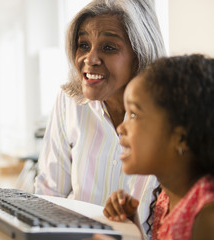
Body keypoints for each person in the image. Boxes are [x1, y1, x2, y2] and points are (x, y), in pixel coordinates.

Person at [34, 0, 166, 238]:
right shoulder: (69, 102)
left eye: (108, 47)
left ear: (140, 54)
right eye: (83, 44)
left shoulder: (168, 116)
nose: (89, 58)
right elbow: (48, 194)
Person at [102, 54, 214, 240]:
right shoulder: (166, 200)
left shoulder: (207, 217)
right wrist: (132, 223)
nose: (121, 127)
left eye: (134, 115)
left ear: (181, 138)